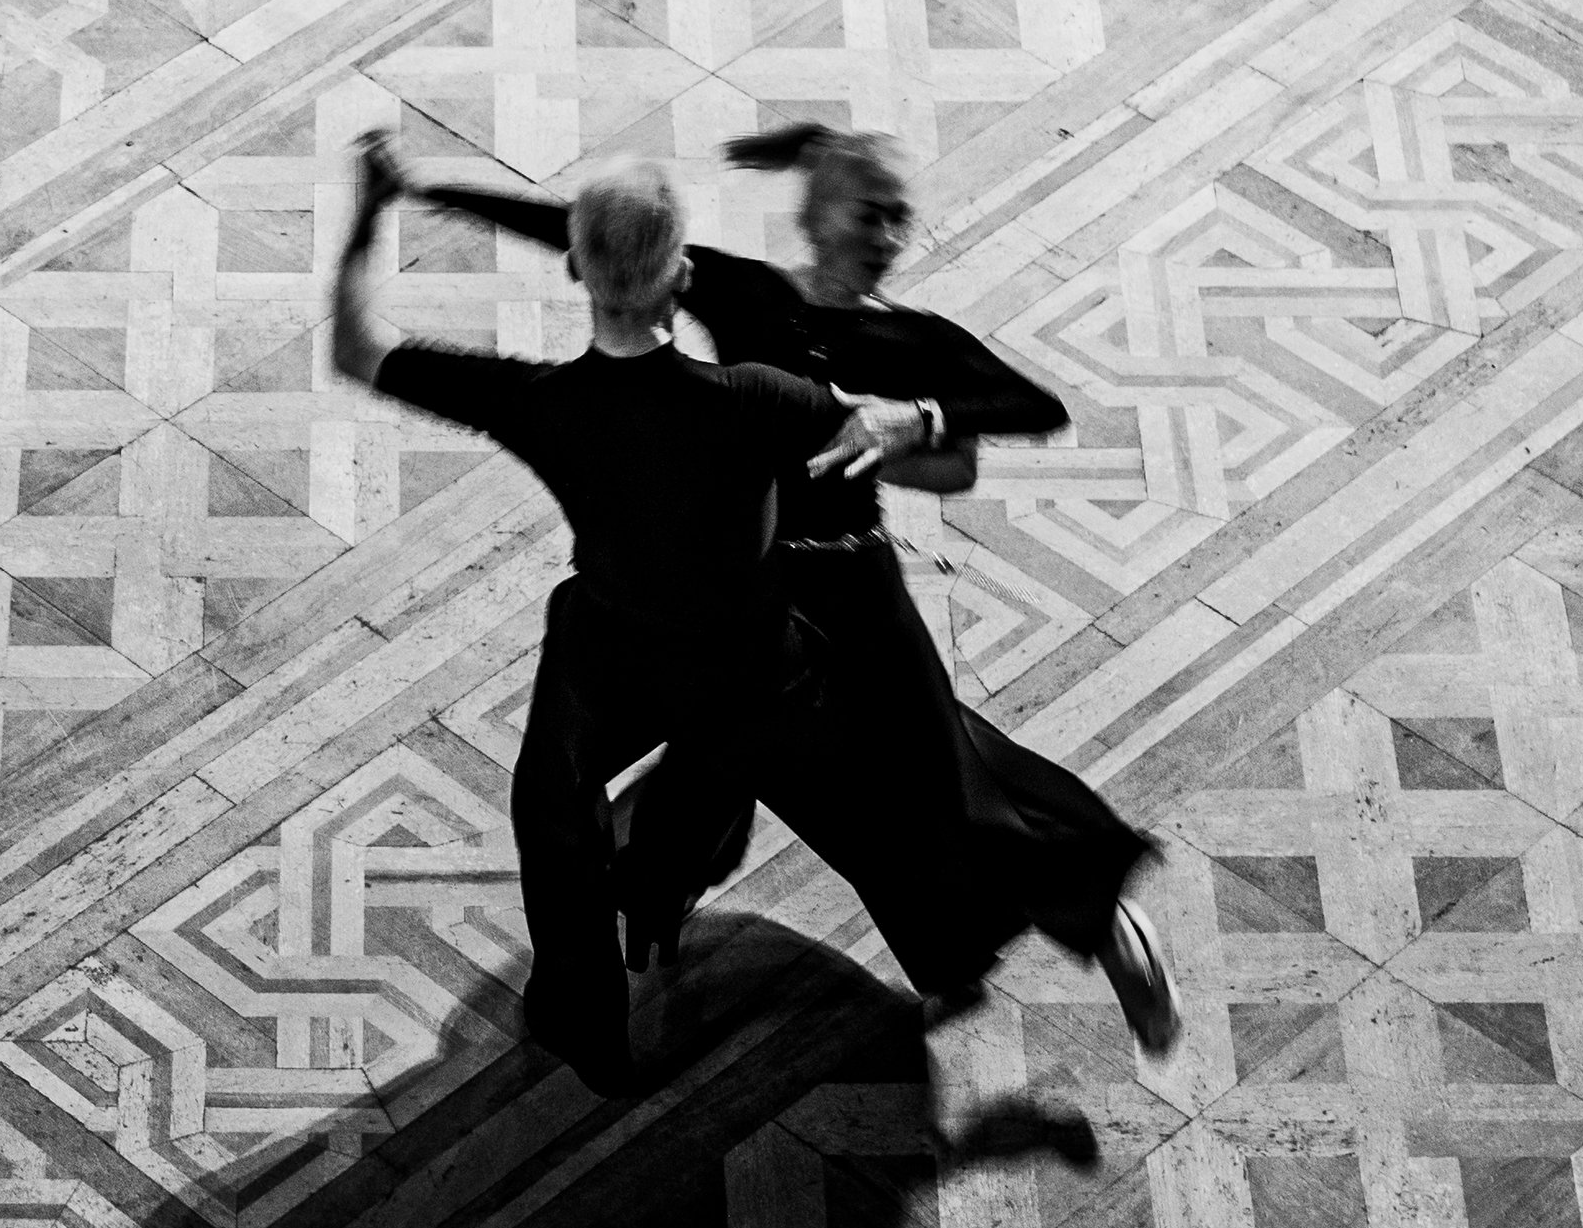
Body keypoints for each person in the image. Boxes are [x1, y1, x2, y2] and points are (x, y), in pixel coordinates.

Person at [392, 123, 1182, 1057]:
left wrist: (916, 418)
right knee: (733, 758)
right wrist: (441, 192)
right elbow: (596, 234)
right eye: (869, 210)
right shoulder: (743, 290)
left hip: (856, 590)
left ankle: (1103, 927)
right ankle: (654, 890)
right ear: (818, 212)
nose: (886, 234)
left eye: (900, 218)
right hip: (760, 592)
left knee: (950, 782)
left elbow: (1034, 407)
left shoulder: (914, 339)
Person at [328, 131, 929, 1095]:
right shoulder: (759, 399)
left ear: (576, 270)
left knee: (550, 795)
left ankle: (585, 1015)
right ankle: (662, 873)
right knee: (740, 726)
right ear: (679, 274)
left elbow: (356, 349)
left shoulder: (541, 403)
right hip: (741, 662)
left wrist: (368, 215)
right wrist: (924, 417)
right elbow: (879, 430)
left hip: (615, 649)